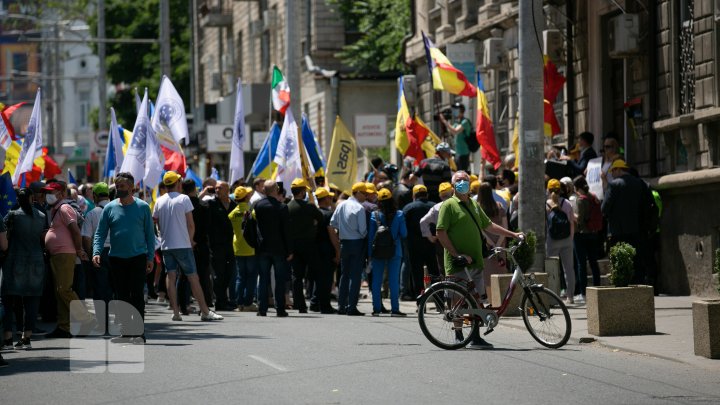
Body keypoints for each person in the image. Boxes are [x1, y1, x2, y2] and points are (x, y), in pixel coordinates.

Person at [436, 171, 522, 349]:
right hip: (458, 263)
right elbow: (440, 232)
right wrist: (455, 254)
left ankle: (475, 336)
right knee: (457, 300)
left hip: (475, 262)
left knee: (476, 301)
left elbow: (489, 225)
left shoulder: (474, 204)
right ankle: (459, 334)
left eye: (465, 180)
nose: (462, 183)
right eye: (458, 180)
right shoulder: (449, 205)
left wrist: (512, 234)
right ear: (453, 185)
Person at [92, 172, 157, 344]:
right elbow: (99, 234)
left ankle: (139, 333)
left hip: (138, 257)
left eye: (121, 186)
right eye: (116, 186)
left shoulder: (143, 207)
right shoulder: (109, 208)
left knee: (136, 295)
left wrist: (150, 257)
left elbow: (150, 235)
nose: (118, 189)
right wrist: (96, 252)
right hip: (116, 259)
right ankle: (126, 332)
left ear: (131, 187)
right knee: (120, 296)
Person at [153, 171, 223, 322]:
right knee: (193, 277)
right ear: (178, 183)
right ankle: (205, 311)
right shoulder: (184, 199)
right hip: (183, 244)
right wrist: (190, 240)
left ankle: (176, 312)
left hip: (167, 245)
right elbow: (191, 224)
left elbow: (156, 222)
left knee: (171, 276)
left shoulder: (159, 200)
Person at [43, 182, 95, 339]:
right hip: (58, 254)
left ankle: (87, 319)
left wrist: (79, 250)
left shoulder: (65, 208)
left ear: (61, 194)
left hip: (65, 254)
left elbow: (76, 231)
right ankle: (64, 326)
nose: (48, 195)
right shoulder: (56, 209)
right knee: (60, 291)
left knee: (64, 289)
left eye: (51, 192)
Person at [1, 188, 43, 350]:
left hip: (15, 260)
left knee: (8, 299)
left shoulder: (12, 215)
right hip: (36, 261)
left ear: (18, 199)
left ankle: (8, 338)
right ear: (32, 198)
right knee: (32, 300)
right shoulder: (41, 216)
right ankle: (27, 338)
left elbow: (5, 235)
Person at [601, 159, 648, 284]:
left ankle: (621, 284)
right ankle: (637, 283)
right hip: (636, 229)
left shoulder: (614, 185)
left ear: (618, 169)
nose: (612, 174)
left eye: (613, 171)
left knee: (619, 259)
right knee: (636, 260)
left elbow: (604, 208)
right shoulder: (639, 183)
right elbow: (646, 205)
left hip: (617, 231)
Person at [254, 180, 293, 317]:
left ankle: (262, 309)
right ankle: (280, 309)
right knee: (279, 279)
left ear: (264, 190)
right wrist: (289, 250)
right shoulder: (282, 207)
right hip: (279, 249)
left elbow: (253, 227)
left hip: (262, 248)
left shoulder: (258, 205)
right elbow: (286, 231)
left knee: (263, 279)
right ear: (276, 190)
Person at [330, 182, 369, 316]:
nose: (365, 196)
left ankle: (341, 306)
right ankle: (351, 306)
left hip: (344, 243)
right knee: (355, 276)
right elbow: (363, 230)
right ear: (357, 192)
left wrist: (342, 230)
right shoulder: (359, 208)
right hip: (356, 242)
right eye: (364, 193)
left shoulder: (341, 205)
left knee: (344, 275)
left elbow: (333, 223)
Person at [286, 178, 324, 313]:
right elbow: (321, 219)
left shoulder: (287, 207)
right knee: (319, 273)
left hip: (294, 246)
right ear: (302, 192)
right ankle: (318, 302)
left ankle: (300, 305)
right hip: (309, 245)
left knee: (297, 277)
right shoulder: (310, 206)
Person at [368, 188, 407, 316]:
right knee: (393, 280)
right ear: (392, 199)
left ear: (378, 201)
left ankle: (376, 309)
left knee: (376, 280)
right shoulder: (400, 214)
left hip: (378, 251)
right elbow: (404, 233)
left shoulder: (375, 215)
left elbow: (371, 236)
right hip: (395, 250)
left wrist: (370, 254)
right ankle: (395, 309)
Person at [80, 182, 113, 330]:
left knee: (100, 289)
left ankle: (102, 322)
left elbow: (86, 238)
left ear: (94, 196)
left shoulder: (92, 214)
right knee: (117, 287)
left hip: (98, 253)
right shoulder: (117, 209)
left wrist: (90, 255)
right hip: (118, 253)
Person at [402, 185, 439, 298]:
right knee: (434, 273)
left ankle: (420, 300)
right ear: (426, 194)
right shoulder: (434, 206)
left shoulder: (408, 208)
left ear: (413, 195)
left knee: (417, 274)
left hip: (414, 246)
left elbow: (403, 228)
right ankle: (439, 300)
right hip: (431, 244)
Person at [182, 179, 213, 309]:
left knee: (184, 276)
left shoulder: (181, 205)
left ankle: (183, 305)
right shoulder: (204, 205)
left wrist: (189, 239)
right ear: (195, 189)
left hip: (185, 243)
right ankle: (205, 305)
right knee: (204, 276)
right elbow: (208, 227)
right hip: (201, 244)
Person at [207, 181, 237, 311]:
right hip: (216, 245)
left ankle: (225, 299)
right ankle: (220, 301)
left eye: (220, 188)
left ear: (227, 190)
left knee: (229, 273)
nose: (217, 190)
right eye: (216, 188)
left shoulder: (234, 205)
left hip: (231, 245)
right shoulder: (211, 204)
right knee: (218, 274)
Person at [546, 179, 576, 304]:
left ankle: (554, 298)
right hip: (567, 239)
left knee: (552, 269)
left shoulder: (546, 204)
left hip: (552, 240)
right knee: (569, 269)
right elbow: (572, 223)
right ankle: (570, 297)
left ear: (548, 190)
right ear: (560, 190)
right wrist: (571, 238)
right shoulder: (567, 203)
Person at [228, 186, 258, 312]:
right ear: (246, 197)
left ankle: (239, 303)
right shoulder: (252, 212)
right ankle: (248, 303)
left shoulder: (232, 214)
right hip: (250, 248)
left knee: (240, 277)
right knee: (251, 277)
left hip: (238, 247)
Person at [477, 182, 508, 302]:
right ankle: (502, 301)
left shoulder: (478, 209)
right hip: (501, 245)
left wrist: (491, 243)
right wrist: (498, 243)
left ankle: (492, 302)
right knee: (501, 273)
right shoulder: (500, 206)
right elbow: (505, 228)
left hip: (486, 246)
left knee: (488, 276)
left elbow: (481, 230)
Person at [573, 176, 602, 302]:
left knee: (581, 264)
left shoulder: (580, 200)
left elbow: (580, 219)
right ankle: (597, 287)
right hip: (593, 233)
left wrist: (571, 214)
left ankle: (583, 293)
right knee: (593, 261)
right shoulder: (593, 197)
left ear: (577, 188)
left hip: (581, 234)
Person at [312, 188, 340, 313]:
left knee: (318, 277)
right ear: (325, 199)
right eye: (329, 197)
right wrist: (338, 251)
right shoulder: (328, 214)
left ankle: (314, 302)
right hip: (326, 249)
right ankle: (325, 305)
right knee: (327, 278)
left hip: (315, 248)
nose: (331, 199)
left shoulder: (314, 212)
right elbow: (332, 234)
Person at [420, 182, 454, 273]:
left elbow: (423, 222)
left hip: (441, 241)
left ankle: (447, 286)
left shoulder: (435, 208)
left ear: (440, 195)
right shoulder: (457, 205)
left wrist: (431, 238)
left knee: (444, 269)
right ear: (452, 192)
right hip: (457, 240)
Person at [438, 102, 473, 171]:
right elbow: (450, 132)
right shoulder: (457, 123)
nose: (454, 112)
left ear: (461, 111)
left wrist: (444, 121)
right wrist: (444, 124)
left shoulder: (465, 122)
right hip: (457, 152)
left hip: (464, 152)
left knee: (462, 171)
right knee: (456, 170)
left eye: (456, 110)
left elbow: (455, 131)